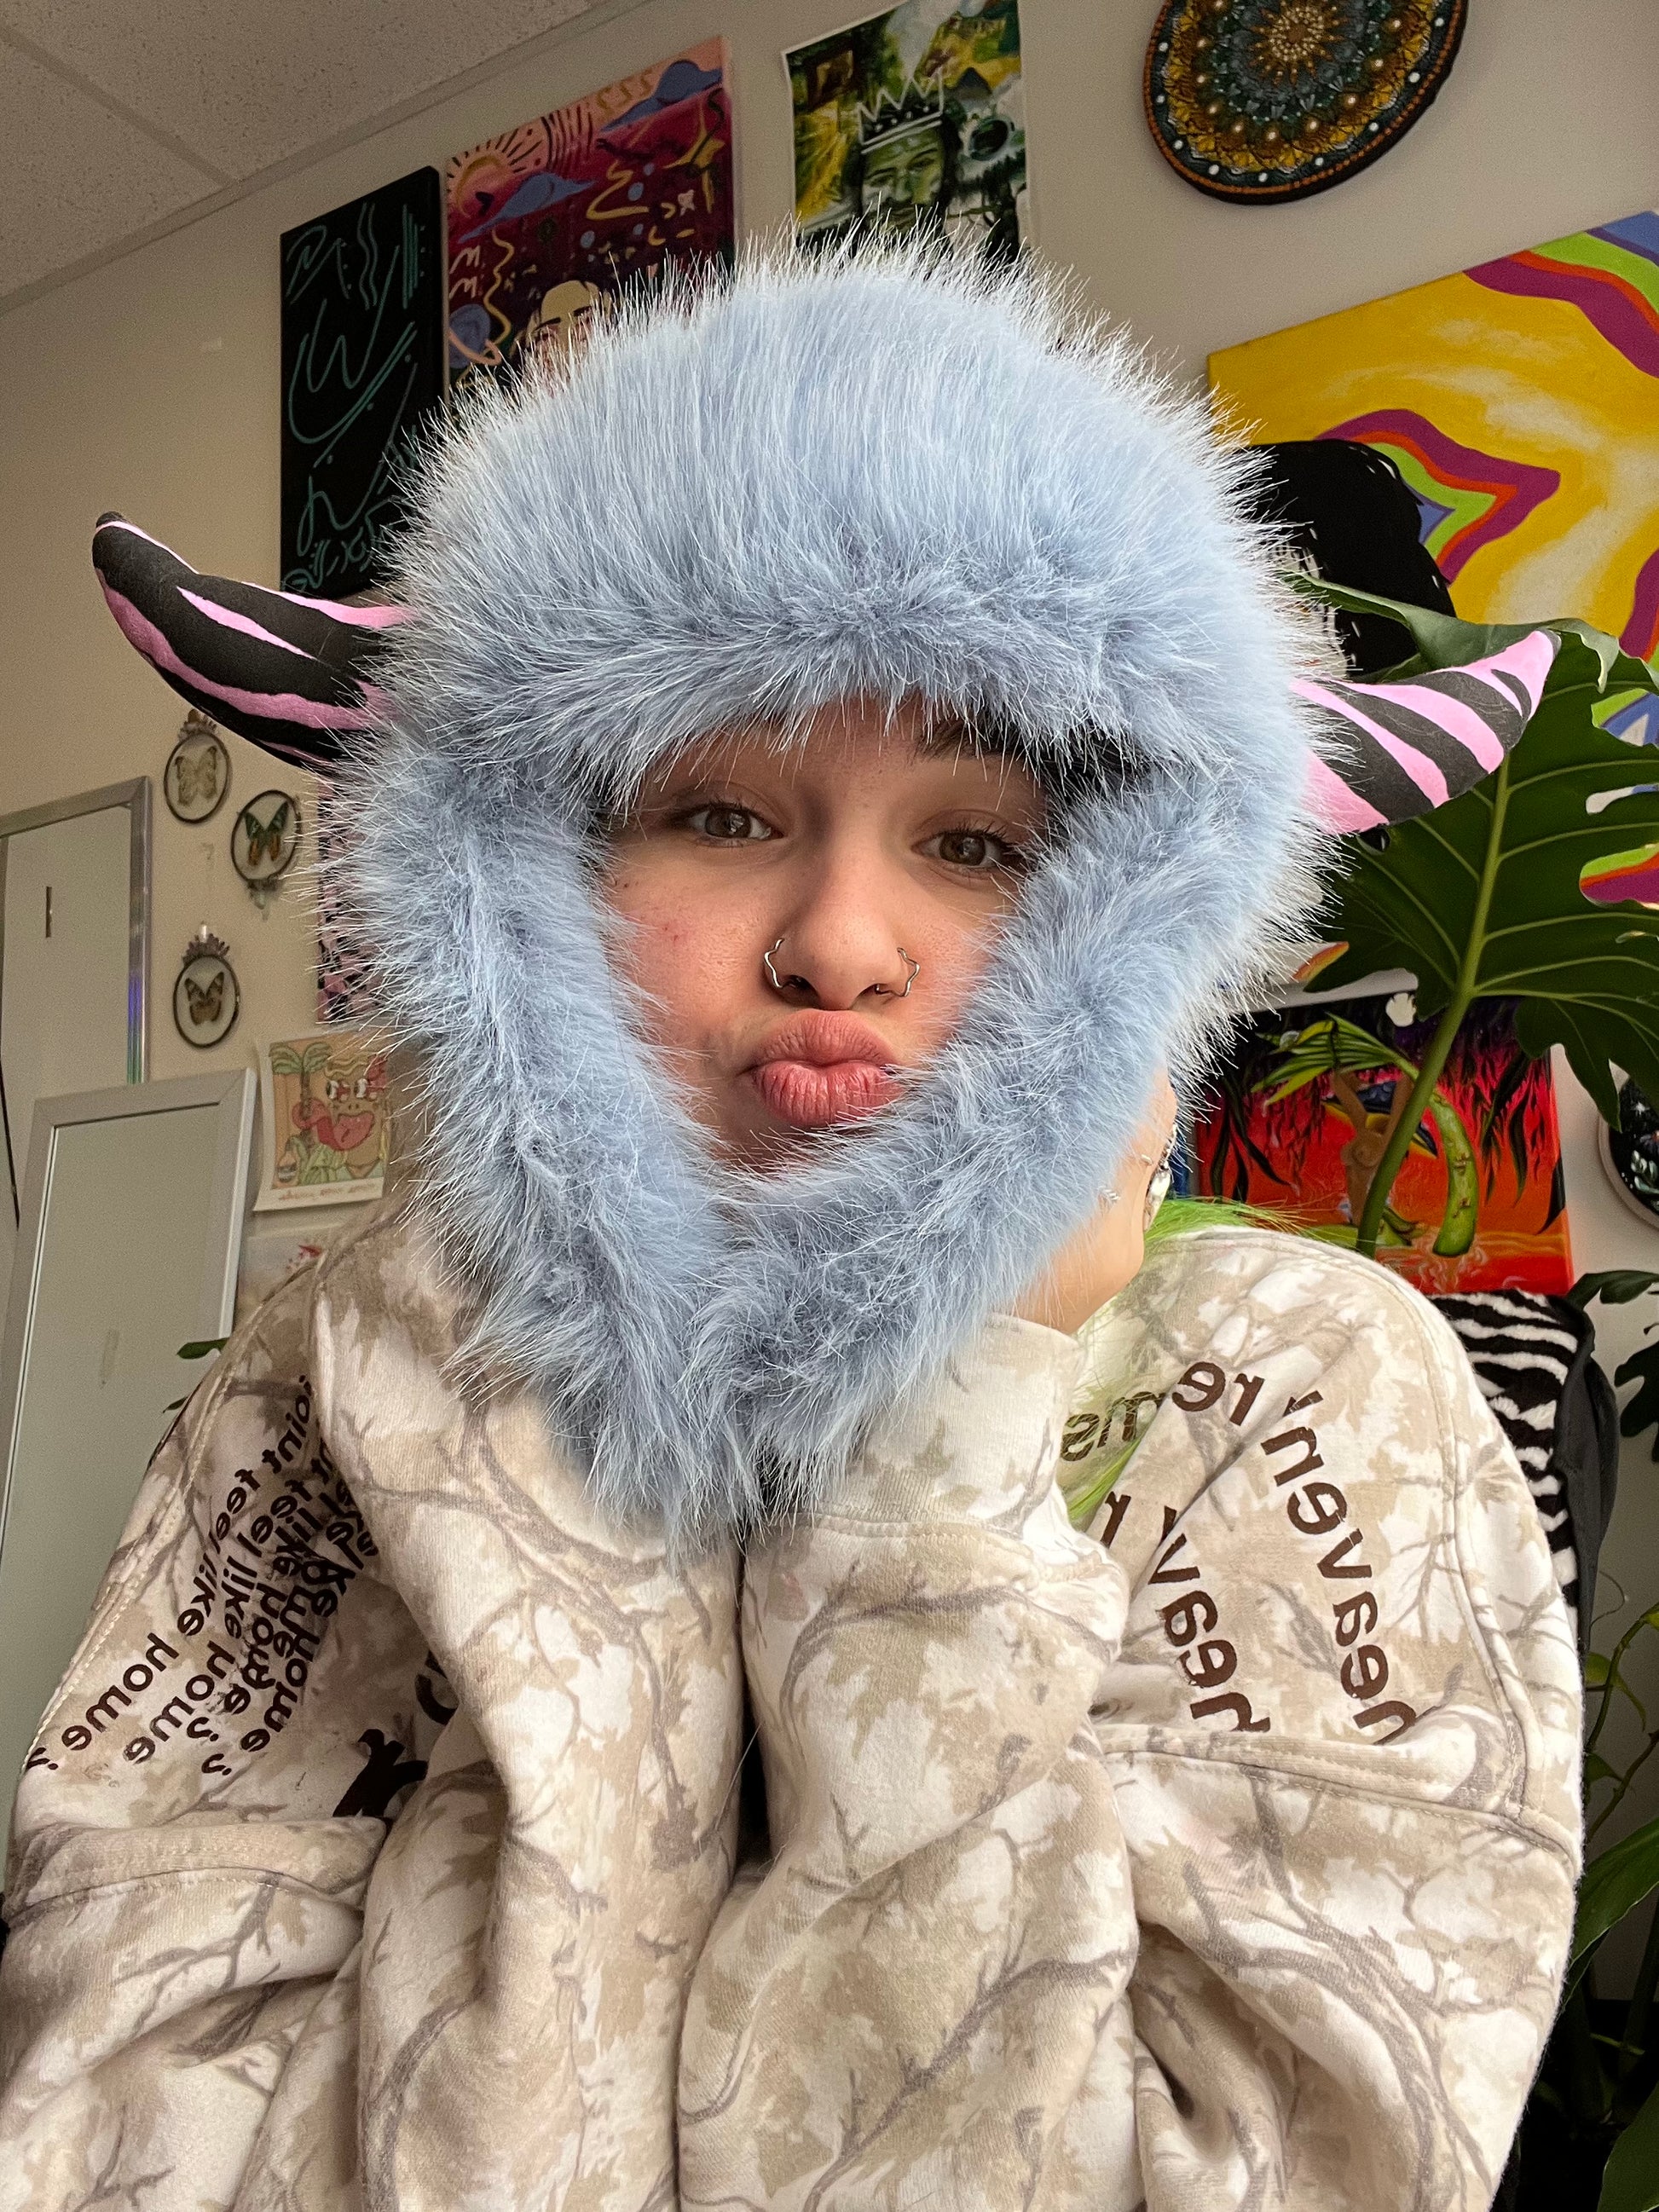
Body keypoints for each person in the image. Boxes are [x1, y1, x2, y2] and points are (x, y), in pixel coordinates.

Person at [0, 244, 1578, 2209]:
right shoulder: (331, 1368)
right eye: (722, 815)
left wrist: (942, 1453)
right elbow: (115, 2133)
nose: (840, 941)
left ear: (1128, 901)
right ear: (539, 872)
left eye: (975, 841)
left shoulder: (1303, 1382)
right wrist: (581, 1436)